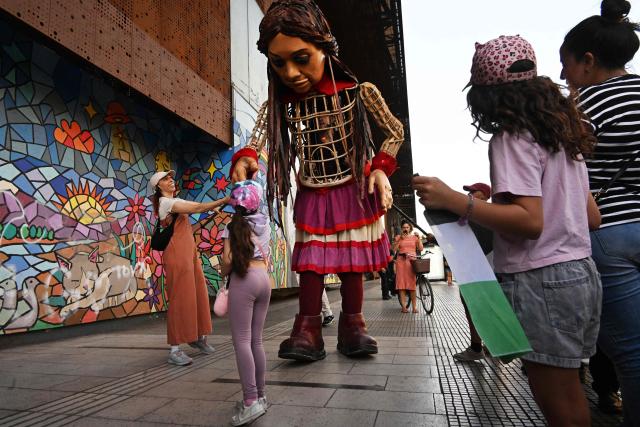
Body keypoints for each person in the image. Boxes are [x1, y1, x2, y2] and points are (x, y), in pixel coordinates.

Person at [412, 35, 602, 425]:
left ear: (485, 95)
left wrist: (454, 200)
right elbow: (590, 217)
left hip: (542, 280)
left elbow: (531, 223)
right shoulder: (563, 136)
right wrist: (494, 200)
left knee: (559, 403)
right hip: (580, 275)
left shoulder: (511, 136)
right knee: (571, 391)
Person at [231, 0, 403, 361]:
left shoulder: (360, 92)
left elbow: (394, 131)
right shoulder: (283, 106)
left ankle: (353, 325)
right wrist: (246, 157)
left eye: (301, 58)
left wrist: (379, 169)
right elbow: (258, 137)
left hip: (355, 189)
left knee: (352, 263)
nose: (291, 72)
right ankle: (307, 328)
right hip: (313, 190)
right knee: (311, 264)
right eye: (279, 63)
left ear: (325, 47)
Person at [560, 1, 640, 422]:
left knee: (631, 353)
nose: (563, 76)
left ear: (588, 61)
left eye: (567, 65)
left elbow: (561, 180)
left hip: (609, 232)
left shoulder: (578, 109)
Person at [149, 170, 228, 366]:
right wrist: (223, 200)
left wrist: (209, 215)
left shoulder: (176, 203)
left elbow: (188, 227)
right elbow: (198, 206)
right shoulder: (165, 203)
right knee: (180, 298)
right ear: (158, 186)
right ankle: (174, 350)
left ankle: (196, 338)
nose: (171, 180)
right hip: (176, 254)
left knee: (198, 294)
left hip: (188, 253)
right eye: (166, 179)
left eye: (170, 177)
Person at [220, 180, 271, 426]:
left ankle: (250, 401)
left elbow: (226, 264)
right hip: (264, 279)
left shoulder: (231, 227)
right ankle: (261, 396)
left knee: (241, 341)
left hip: (245, 279)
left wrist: (224, 268)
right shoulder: (264, 223)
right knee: (256, 341)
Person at [453, 183, 493, 362]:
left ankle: (479, 347)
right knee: (475, 305)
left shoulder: (486, 213)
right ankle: (487, 345)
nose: (469, 194)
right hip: (476, 268)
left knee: (477, 305)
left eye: (472, 191)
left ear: (484, 194)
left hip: (484, 269)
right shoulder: (471, 215)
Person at [392, 220, 424, 313]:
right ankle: (404, 307)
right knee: (401, 285)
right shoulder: (398, 237)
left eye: (407, 227)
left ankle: (414, 307)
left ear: (410, 228)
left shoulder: (415, 237)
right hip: (401, 262)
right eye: (404, 227)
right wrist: (400, 239)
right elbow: (393, 249)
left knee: (412, 285)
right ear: (401, 229)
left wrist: (419, 239)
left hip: (411, 262)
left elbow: (421, 248)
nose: (405, 229)